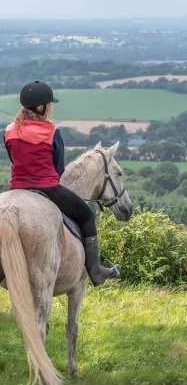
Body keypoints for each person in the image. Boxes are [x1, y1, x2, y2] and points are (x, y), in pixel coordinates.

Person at [3, 81, 119, 287]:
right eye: (48, 104)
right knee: (86, 216)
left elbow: (14, 158)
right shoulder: (52, 132)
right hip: (48, 187)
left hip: (17, 187)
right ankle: (96, 271)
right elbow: (58, 168)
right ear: (41, 107)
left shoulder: (10, 131)